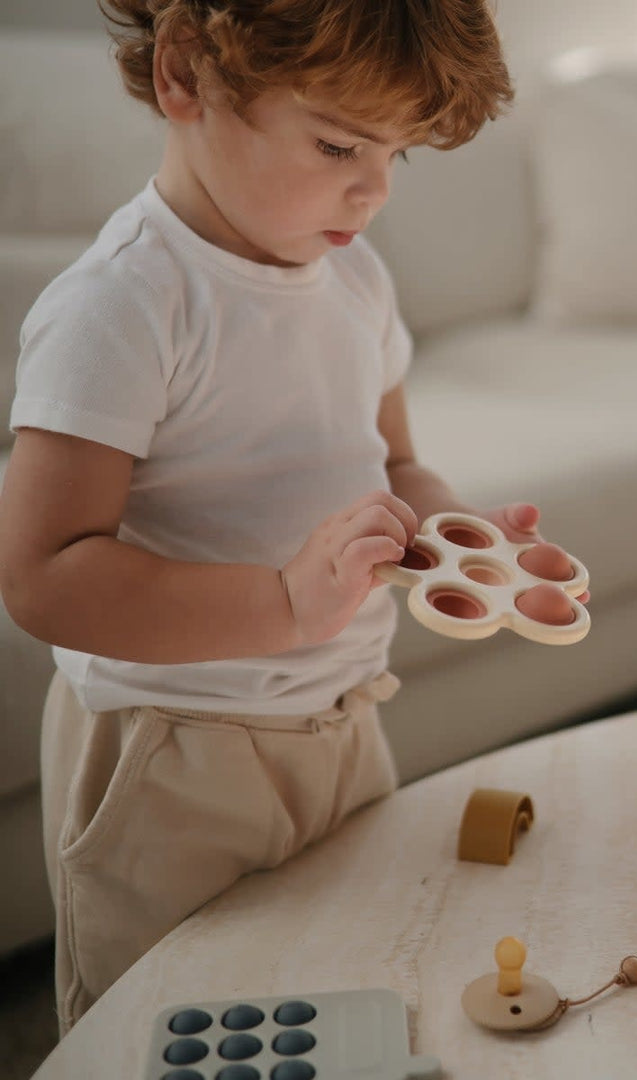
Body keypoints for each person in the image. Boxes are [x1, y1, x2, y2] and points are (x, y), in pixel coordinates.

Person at [0, 0, 581, 1033]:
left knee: (346, 985)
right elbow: (44, 573)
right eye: (339, 143)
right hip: (171, 758)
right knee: (171, 1023)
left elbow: (394, 462)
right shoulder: (124, 304)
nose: (375, 187)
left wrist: (464, 540)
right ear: (185, 75)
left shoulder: (354, 276)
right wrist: (280, 602)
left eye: (399, 153)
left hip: (343, 720)